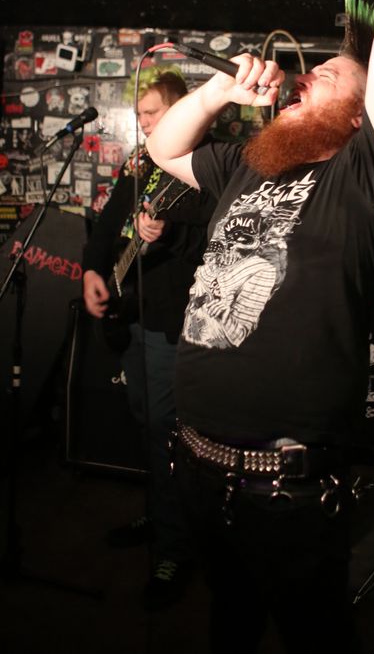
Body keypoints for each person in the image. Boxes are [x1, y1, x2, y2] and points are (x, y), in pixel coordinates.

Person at [146, 0, 374, 652]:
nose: (303, 79)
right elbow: (165, 150)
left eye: (328, 77)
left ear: (363, 114)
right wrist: (217, 92)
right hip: (198, 466)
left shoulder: (365, 178)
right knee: (229, 627)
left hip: (291, 492)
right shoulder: (251, 162)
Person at [82, 66, 216, 611]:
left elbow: (210, 241)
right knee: (145, 421)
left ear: (180, 110)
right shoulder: (141, 162)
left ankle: (175, 547)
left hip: (174, 322)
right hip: (134, 315)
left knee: (166, 432)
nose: (144, 123)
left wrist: (164, 234)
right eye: (139, 115)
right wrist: (92, 270)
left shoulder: (204, 165)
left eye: (153, 112)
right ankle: (161, 515)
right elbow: (110, 218)